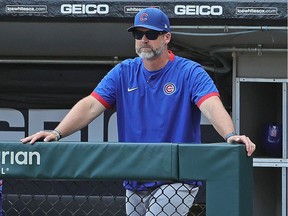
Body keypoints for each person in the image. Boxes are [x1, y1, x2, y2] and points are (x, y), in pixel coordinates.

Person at [21, 8, 256, 216]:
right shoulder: (124, 71)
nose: (144, 40)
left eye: (151, 34)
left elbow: (211, 105)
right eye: (138, 34)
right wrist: (58, 132)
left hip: (176, 178)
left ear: (166, 38)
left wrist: (229, 135)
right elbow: (91, 105)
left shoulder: (188, 71)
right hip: (135, 178)